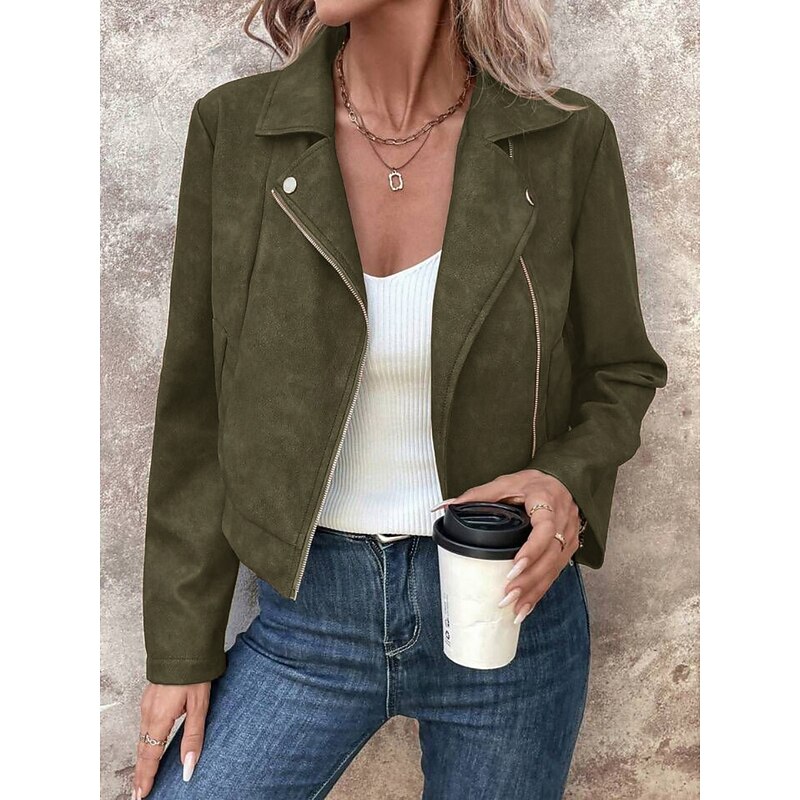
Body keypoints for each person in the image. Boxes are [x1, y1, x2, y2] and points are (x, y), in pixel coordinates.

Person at [132, 1, 668, 798]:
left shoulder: (563, 138)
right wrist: (181, 651)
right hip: (310, 615)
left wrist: (566, 481)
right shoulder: (237, 131)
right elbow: (197, 406)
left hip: (506, 606)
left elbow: (620, 370)